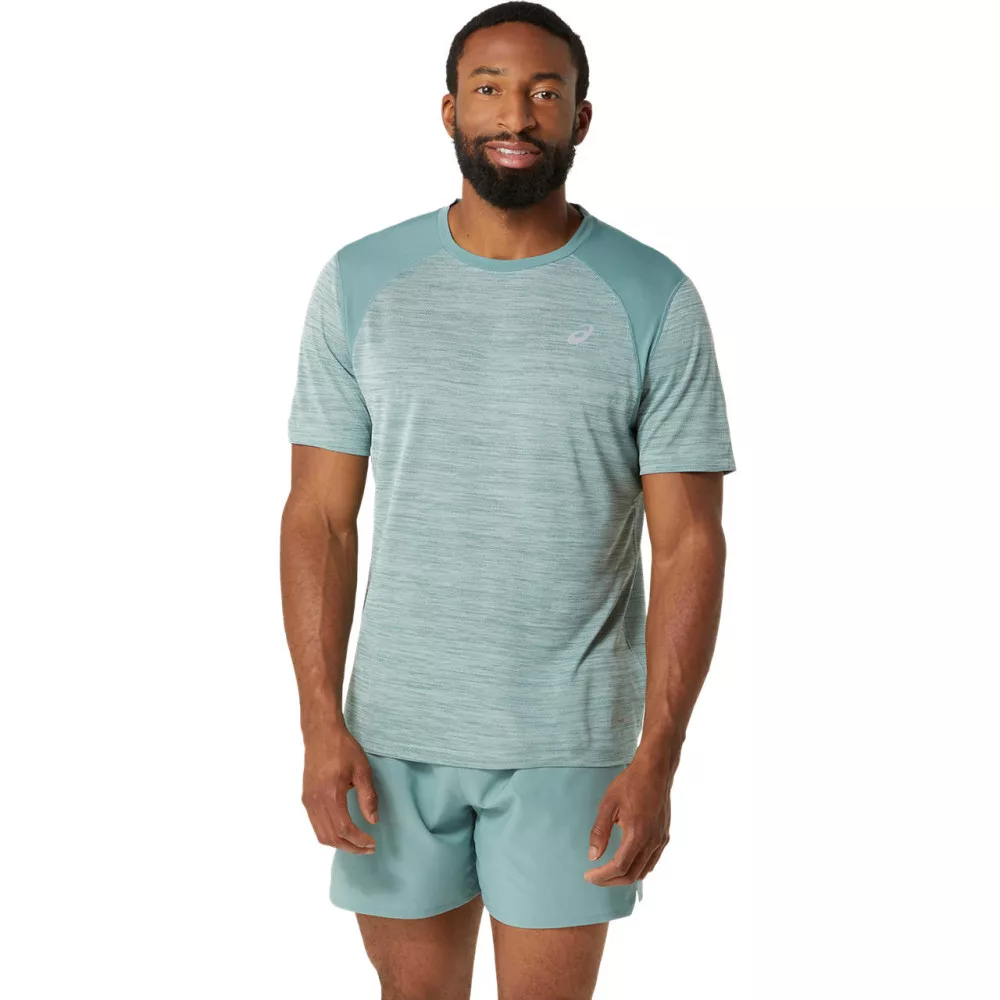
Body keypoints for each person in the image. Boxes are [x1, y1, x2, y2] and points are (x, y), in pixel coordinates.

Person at [279, 3, 736, 996]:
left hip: (569, 740)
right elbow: (319, 517)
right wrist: (319, 722)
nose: (515, 115)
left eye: (543, 92)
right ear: (449, 110)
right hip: (392, 737)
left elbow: (689, 543)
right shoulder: (361, 282)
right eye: (488, 88)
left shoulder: (652, 297)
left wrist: (658, 757)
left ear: (581, 117)